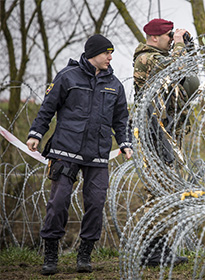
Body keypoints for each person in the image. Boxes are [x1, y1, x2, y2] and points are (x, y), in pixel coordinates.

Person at [26, 34, 133, 275]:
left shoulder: (115, 84)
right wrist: (36, 133)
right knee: (58, 202)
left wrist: (125, 142)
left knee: (96, 204)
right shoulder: (67, 77)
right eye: (106, 52)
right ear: (93, 53)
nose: (110, 56)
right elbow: (47, 108)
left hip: (97, 154)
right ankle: (50, 254)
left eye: (111, 52)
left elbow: (121, 119)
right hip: (65, 150)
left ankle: (85, 254)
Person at [132, 18, 199, 267]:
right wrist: (180, 45)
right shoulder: (146, 58)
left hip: (167, 132)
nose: (172, 40)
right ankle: (152, 249)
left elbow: (188, 78)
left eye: (174, 36)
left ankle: (160, 247)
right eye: (169, 36)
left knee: (167, 193)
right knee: (156, 193)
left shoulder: (162, 57)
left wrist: (188, 48)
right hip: (153, 134)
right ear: (154, 38)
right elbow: (174, 70)